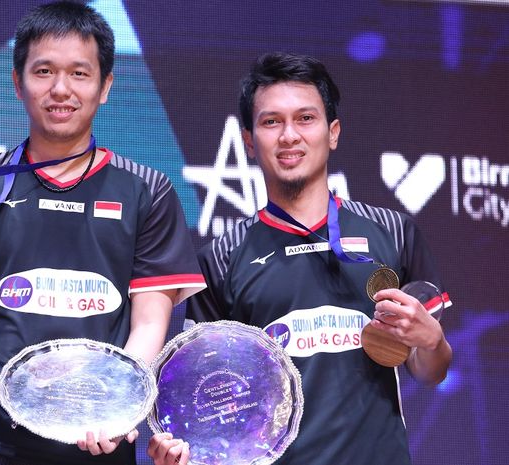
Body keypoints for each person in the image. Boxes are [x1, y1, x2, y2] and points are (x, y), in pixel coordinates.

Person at [0, 2, 206, 464]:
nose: (60, 89)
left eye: (79, 74)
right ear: (17, 82)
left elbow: (148, 324)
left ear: (105, 87)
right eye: (43, 71)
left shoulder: (146, 191)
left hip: (94, 437)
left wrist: (117, 409)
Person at [147, 52, 452, 465]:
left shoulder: (394, 232)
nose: (289, 135)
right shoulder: (220, 258)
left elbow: (429, 370)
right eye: (272, 122)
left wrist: (431, 340)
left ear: (333, 132)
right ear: (250, 140)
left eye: (305, 118)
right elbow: (208, 395)